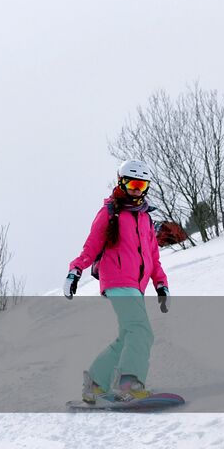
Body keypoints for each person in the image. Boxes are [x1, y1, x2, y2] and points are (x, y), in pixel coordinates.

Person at [65, 158, 170, 403]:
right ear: (121, 183)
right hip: (117, 280)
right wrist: (75, 271)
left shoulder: (145, 218)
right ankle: (130, 384)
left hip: (135, 285)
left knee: (128, 336)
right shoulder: (109, 212)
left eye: (142, 185)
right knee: (141, 331)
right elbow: (90, 247)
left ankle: (95, 383)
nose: (136, 189)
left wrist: (161, 283)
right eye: (132, 183)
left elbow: (153, 256)